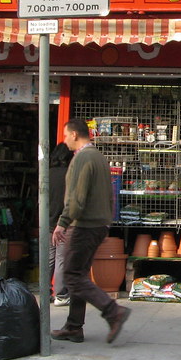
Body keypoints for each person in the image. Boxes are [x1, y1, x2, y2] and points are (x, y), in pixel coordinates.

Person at [51, 119, 129, 344]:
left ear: (75, 134)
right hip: (97, 224)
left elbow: (78, 197)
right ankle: (74, 327)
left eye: (66, 135)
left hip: (84, 225)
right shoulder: (98, 157)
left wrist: (63, 222)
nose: (64, 141)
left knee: (72, 275)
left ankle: (113, 312)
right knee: (79, 275)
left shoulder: (83, 158)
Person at [48, 142, 73, 306]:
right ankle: (61, 294)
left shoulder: (47, 174)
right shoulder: (69, 175)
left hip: (48, 220)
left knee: (49, 258)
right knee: (61, 258)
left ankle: (45, 292)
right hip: (64, 222)